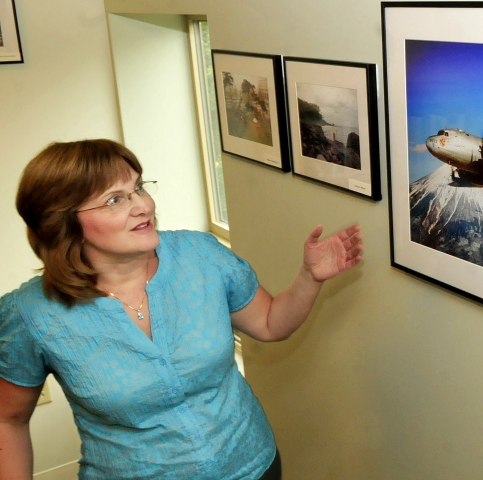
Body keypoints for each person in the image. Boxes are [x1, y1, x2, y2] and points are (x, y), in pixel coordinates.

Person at [0, 139, 363, 479]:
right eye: (115, 200)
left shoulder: (201, 255)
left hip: (252, 466)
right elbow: (8, 420)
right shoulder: (31, 314)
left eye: (139, 188)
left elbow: (270, 324)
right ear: (62, 221)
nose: (144, 205)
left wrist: (309, 277)